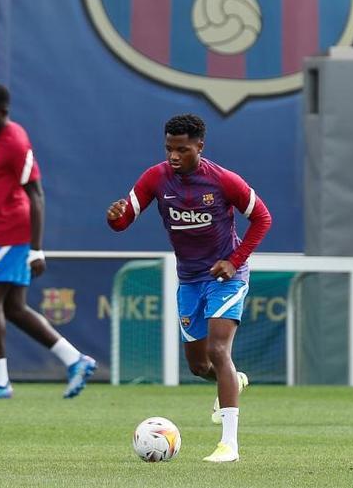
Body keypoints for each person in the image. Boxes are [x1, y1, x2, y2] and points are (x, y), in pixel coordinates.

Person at [106, 113, 271, 463]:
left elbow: (262, 218)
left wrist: (234, 259)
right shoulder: (156, 177)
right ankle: (233, 381)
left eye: (182, 149)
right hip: (190, 280)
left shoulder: (224, 181)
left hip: (227, 276)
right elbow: (123, 221)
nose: (174, 156)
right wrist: (115, 216)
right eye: (169, 149)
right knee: (198, 365)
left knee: (218, 349)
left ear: (200, 146)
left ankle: (229, 445)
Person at [0, 83, 96, 400]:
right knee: (13, 308)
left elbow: (36, 195)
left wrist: (36, 249)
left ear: (3, 112)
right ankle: (74, 359)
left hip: (11, 233)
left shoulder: (15, 141)